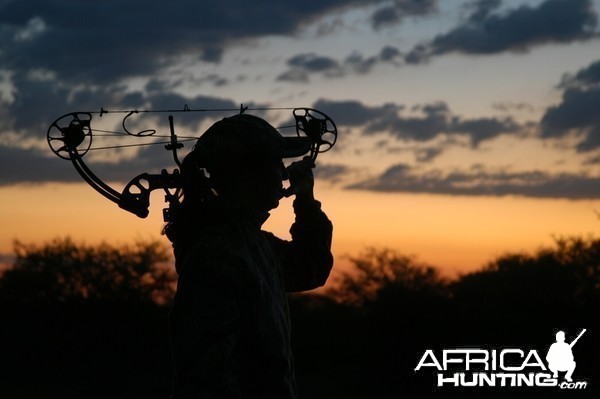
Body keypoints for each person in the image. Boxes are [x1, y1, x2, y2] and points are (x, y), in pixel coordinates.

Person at [164, 113, 334, 398]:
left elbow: (311, 268)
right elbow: (207, 382)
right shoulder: (215, 258)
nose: (283, 174)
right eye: (274, 163)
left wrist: (305, 199)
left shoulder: (256, 246)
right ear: (245, 173)